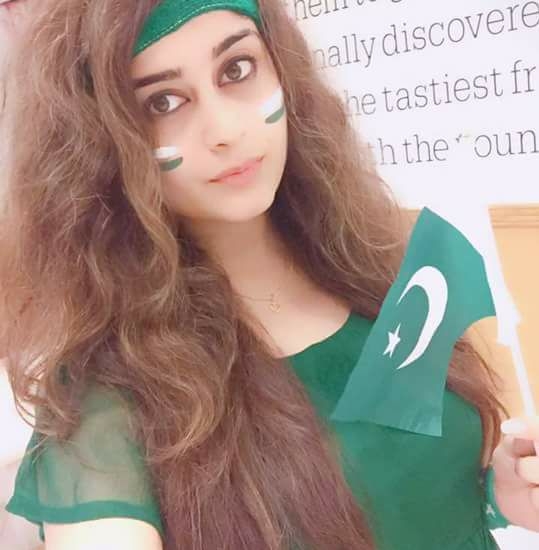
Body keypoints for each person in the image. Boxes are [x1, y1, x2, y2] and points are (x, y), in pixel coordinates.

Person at [0, 0, 538, 549]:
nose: (226, 128)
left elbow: (407, 488)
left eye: (236, 69)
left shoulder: (374, 270)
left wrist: (499, 493)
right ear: (102, 141)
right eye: (163, 101)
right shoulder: (108, 395)